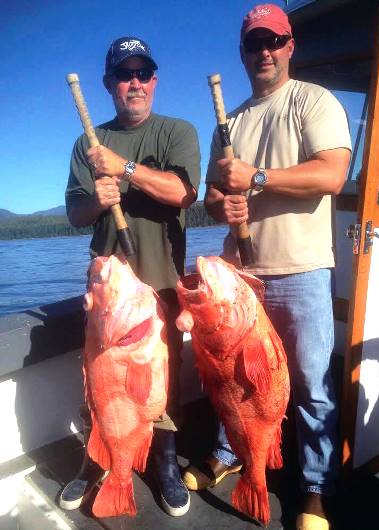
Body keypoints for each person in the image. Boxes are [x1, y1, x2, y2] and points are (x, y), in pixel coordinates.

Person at [182, 4, 351, 530]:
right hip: (241, 281)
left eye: (273, 41)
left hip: (301, 271)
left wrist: (255, 179)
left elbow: (332, 175)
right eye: (254, 44)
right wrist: (221, 206)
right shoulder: (227, 123)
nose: (264, 52)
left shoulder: (313, 102)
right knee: (232, 379)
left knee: (309, 384)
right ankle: (231, 453)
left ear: (289, 45)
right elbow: (212, 195)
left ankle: (314, 488)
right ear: (243, 52)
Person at [61, 35, 200, 517]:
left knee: (163, 386)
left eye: (142, 73)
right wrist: (97, 200)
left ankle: (163, 464)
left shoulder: (177, 132)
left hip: (161, 282)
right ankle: (94, 464)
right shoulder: (87, 142)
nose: (134, 83)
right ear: (109, 84)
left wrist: (125, 169)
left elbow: (183, 193)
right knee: (99, 383)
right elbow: (74, 214)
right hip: (107, 290)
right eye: (124, 74)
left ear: (154, 81)